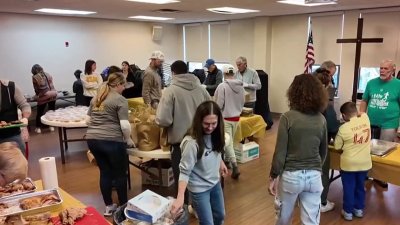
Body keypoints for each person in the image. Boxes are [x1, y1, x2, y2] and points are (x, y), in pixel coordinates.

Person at [268, 74, 328, 225]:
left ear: (293, 92)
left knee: (283, 218)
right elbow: (323, 151)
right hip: (314, 176)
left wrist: (273, 176)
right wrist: (315, 169)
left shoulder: (287, 117)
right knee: (311, 221)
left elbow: (280, 152)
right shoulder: (321, 119)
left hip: (291, 176)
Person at [156, 60, 211, 203]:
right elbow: (211, 113)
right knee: (200, 176)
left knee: (182, 180)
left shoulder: (170, 91)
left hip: (180, 144)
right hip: (202, 141)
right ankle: (200, 208)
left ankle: (184, 209)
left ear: (173, 72)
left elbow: (163, 120)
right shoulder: (202, 89)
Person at [171, 100, 228, 225]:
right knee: (207, 222)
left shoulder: (216, 134)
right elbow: (184, 172)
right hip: (199, 189)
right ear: (199, 121)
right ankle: (193, 206)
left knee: (220, 216)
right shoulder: (191, 143)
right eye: (206, 123)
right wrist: (180, 197)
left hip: (214, 183)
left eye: (214, 123)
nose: (210, 127)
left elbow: (215, 152)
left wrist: (221, 162)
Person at [85, 72, 134, 216]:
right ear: (118, 84)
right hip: (112, 140)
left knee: (105, 172)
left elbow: (87, 121)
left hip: (93, 140)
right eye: (123, 85)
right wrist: (129, 139)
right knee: (120, 174)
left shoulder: (96, 98)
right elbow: (125, 126)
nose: (124, 88)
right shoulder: (120, 100)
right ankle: (124, 206)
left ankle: (109, 206)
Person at [360, 59, 400, 188]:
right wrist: (361, 115)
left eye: (386, 69)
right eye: (381, 68)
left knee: (384, 150)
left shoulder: (398, 84)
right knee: (367, 149)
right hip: (370, 122)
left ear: (393, 70)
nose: (382, 71)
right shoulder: (371, 83)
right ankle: (366, 173)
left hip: (389, 122)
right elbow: (364, 100)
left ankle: (380, 177)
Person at [334, 102, 372, 221]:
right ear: (355, 112)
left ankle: (348, 212)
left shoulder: (343, 128)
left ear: (344, 115)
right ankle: (359, 209)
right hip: (365, 163)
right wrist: (356, 114)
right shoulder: (366, 119)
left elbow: (337, 147)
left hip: (349, 165)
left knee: (349, 188)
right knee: (360, 186)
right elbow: (361, 113)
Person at [314, 67, 340, 212]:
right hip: (320, 145)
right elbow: (333, 128)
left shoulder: (298, 105)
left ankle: (303, 199)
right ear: (326, 85)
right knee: (323, 172)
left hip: (301, 146)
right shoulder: (326, 106)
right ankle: (322, 202)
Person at [214, 64, 245, 179]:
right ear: (233, 73)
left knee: (228, 142)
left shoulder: (222, 86)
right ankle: (227, 161)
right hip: (237, 118)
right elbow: (243, 102)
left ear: (224, 74)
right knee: (230, 141)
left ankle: (235, 166)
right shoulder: (241, 86)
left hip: (225, 118)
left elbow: (219, 104)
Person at [0, 79, 31, 154]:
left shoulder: (10, 87)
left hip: (12, 135)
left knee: (18, 162)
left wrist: (25, 118)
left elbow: (24, 105)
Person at [31, 64, 57, 134]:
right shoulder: (47, 74)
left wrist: (36, 96)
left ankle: (38, 128)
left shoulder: (36, 77)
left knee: (40, 112)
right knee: (51, 111)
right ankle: (51, 126)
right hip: (53, 94)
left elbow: (38, 89)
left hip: (45, 95)